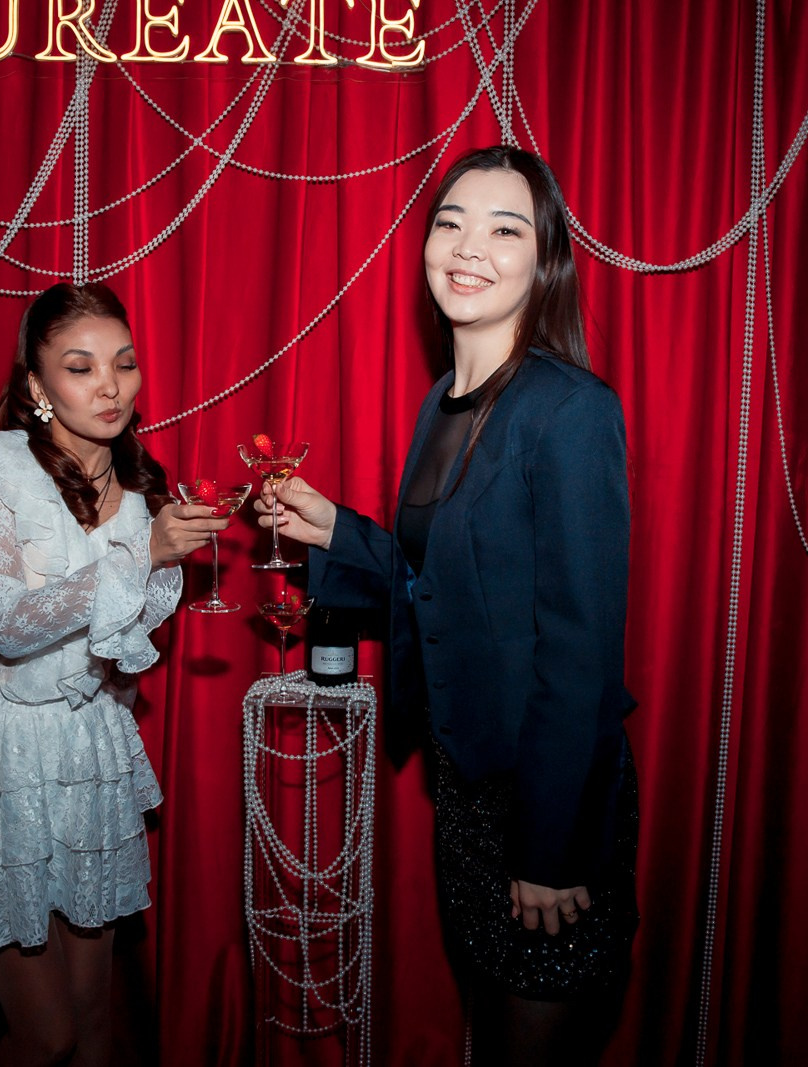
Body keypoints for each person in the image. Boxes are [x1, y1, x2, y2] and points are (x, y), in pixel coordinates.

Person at [258, 146, 639, 1060]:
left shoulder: (570, 411)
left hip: (546, 801)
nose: (468, 247)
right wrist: (334, 530)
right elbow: (437, 581)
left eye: (505, 229)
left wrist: (547, 850)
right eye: (450, 222)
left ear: (544, 261)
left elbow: (579, 652)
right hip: (466, 792)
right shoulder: (443, 402)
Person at [0, 282, 226, 1067]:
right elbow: (9, 623)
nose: (110, 385)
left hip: (86, 758)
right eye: (81, 367)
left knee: (96, 1026)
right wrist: (142, 557)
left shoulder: (142, 494)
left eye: (124, 363)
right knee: (48, 1036)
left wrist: (156, 559)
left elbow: (126, 645)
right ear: (37, 385)